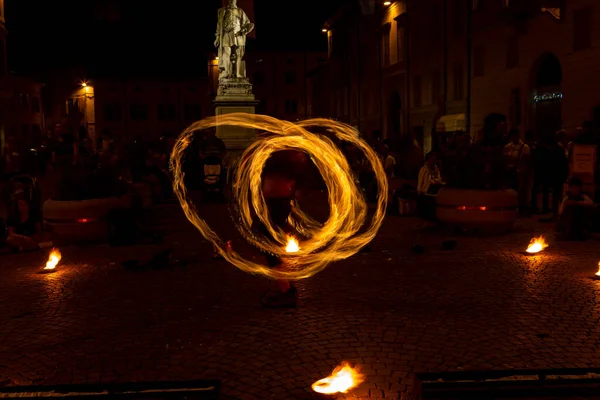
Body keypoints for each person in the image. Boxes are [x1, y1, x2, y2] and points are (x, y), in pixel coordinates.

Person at [254, 150, 307, 309]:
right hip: (274, 203)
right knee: (266, 241)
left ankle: (286, 291)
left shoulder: (283, 156)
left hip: (277, 204)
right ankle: (285, 284)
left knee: (266, 243)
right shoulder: (280, 154)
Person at [214, 0, 255, 79]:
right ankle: (226, 72)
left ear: (235, 1)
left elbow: (248, 23)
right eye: (230, 0)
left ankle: (238, 73)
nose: (232, 2)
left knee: (238, 54)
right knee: (226, 52)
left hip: (237, 34)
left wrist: (243, 31)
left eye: (233, 0)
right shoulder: (223, 11)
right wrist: (217, 37)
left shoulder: (240, 11)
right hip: (226, 33)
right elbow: (219, 25)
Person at [504, 128, 530, 214]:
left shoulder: (524, 147)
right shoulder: (508, 147)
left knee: (520, 191)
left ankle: (521, 208)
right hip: (509, 172)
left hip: (520, 172)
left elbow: (526, 161)